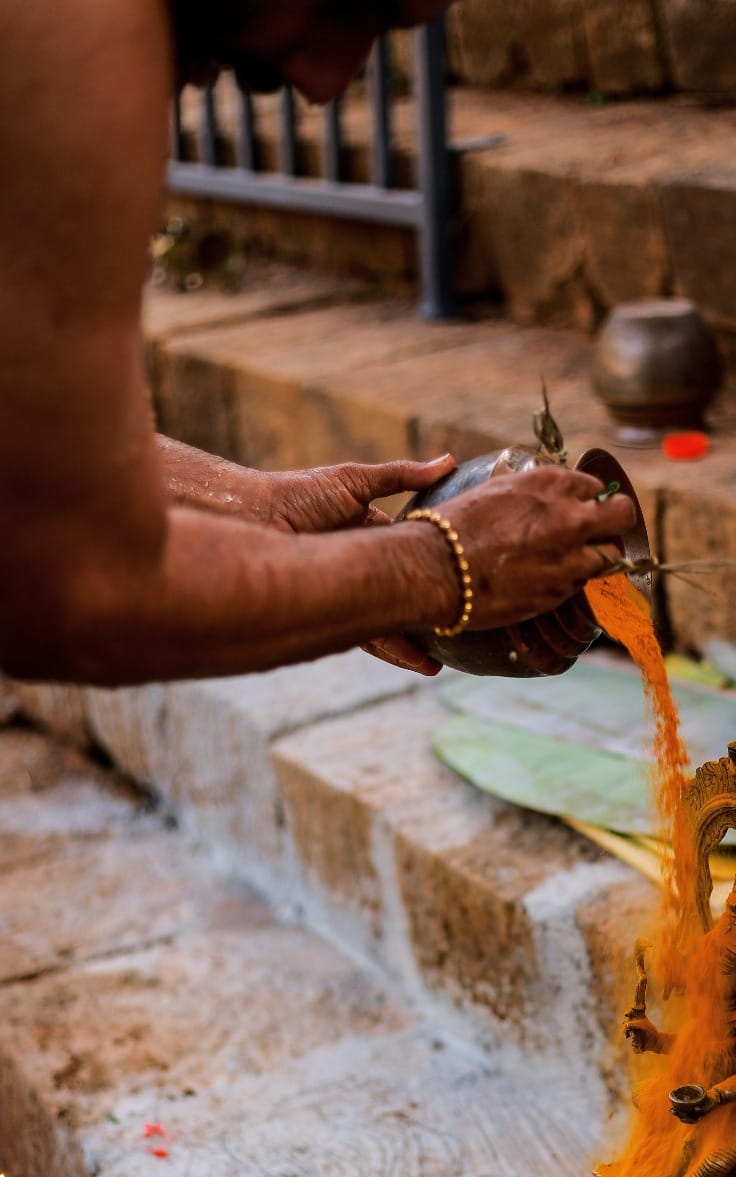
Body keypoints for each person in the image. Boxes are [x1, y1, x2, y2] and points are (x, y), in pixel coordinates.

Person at [0, 1, 633, 686]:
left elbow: (28, 461)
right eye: (352, 10)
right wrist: (435, 567)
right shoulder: (76, 25)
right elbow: (67, 584)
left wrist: (254, 505)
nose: (325, 84)